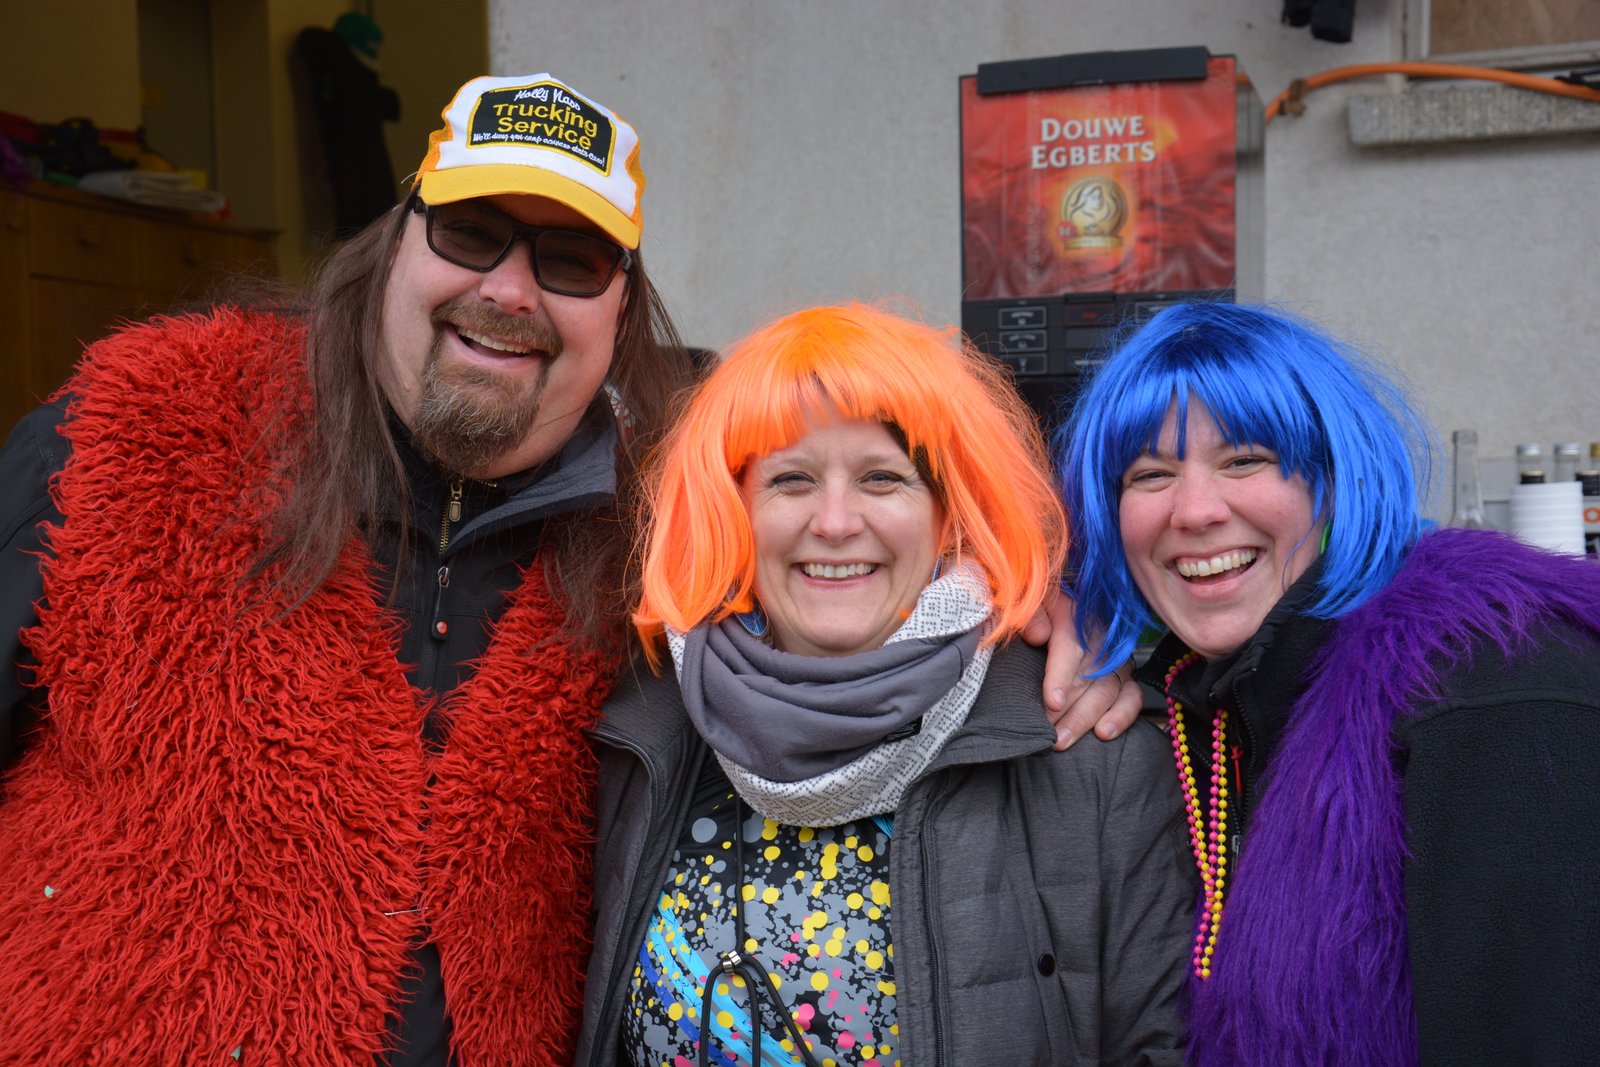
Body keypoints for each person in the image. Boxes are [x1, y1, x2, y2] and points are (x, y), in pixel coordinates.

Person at [0, 75, 1133, 1065]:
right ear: (396, 240)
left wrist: (1064, 603)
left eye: (570, 259)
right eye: (471, 231)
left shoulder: (662, 535)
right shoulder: (141, 433)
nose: (509, 288)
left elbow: (870, 534)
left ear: (620, 305)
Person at [577, 303, 1191, 1067]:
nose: (836, 522)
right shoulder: (638, 733)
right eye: (791, 479)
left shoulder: (1086, 747)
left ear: (948, 514)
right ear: (732, 511)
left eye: (882, 477)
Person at [1058, 301, 1600, 1067]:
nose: (1195, 510)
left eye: (1244, 460)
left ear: (1336, 477)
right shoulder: (1212, 707)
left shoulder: (1492, 687)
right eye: (1150, 474)